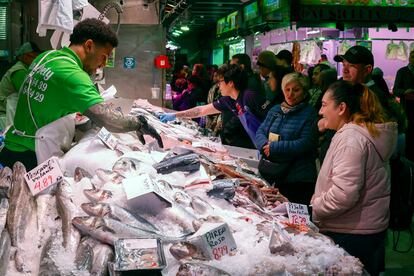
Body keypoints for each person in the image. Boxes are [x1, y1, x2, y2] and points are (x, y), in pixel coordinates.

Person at [0, 18, 162, 170]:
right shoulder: (73, 75)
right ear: (89, 45)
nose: (103, 64)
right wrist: (139, 123)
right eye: (104, 57)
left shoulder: (46, 57)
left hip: (11, 148)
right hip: (31, 157)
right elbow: (109, 120)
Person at [312, 80, 398, 276]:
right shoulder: (360, 132)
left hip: (351, 232)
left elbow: (343, 195)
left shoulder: (351, 139)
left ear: (341, 108)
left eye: (325, 105)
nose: (320, 111)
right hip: (365, 229)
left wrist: (315, 206)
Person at [160, 64, 269, 149]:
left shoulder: (249, 97)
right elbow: (201, 110)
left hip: (270, 146)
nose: (218, 85)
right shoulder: (229, 100)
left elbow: (272, 120)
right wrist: (175, 115)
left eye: (220, 82)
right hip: (259, 146)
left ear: (230, 83)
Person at [256, 72, 319, 205]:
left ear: (304, 91)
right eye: (287, 89)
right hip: (274, 173)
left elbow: (306, 143)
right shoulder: (275, 110)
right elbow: (260, 131)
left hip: (298, 178)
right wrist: (263, 145)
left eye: (296, 90)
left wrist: (273, 147)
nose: (290, 94)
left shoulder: (310, 113)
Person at [0, 42, 41, 130]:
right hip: (5, 116)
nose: (37, 61)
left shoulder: (24, 69)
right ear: (26, 57)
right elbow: (29, 94)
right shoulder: (19, 71)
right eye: (35, 57)